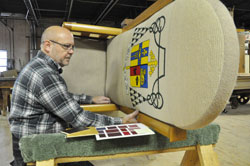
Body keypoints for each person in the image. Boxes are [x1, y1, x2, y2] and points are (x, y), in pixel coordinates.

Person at [8, 26, 139, 166]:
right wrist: (119, 122)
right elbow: (78, 118)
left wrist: (90, 99)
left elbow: (59, 97)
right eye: (66, 46)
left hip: (30, 140)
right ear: (48, 46)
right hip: (35, 147)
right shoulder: (45, 75)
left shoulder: (39, 67)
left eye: (72, 47)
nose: (71, 52)